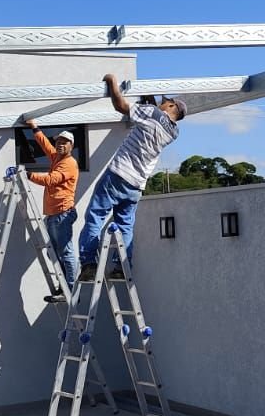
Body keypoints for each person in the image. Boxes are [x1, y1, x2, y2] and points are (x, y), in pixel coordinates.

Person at [77, 73, 187, 278]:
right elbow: (155, 117)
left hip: (118, 174)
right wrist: (151, 103)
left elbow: (121, 106)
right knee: (125, 225)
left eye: (166, 103)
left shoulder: (153, 113)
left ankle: (89, 264)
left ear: (173, 106)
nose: (162, 104)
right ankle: (121, 267)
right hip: (136, 185)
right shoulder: (173, 132)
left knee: (95, 216)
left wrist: (111, 82)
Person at [20, 116, 80, 289]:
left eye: (65, 142)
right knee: (53, 252)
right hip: (53, 214)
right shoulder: (56, 158)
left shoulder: (68, 163)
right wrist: (34, 127)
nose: (61, 144)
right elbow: (45, 144)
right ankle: (63, 286)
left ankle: (70, 288)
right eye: (59, 141)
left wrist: (28, 175)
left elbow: (51, 180)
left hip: (62, 213)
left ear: (71, 146)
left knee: (66, 252)